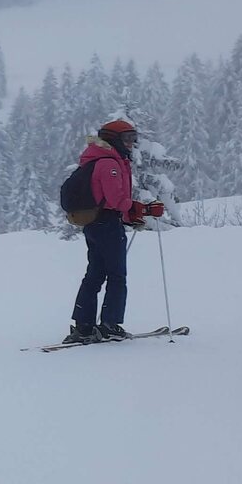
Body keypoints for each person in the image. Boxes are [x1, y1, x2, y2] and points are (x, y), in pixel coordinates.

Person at [64, 120, 163, 343]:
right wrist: (143, 209)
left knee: (95, 275)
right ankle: (110, 325)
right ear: (113, 140)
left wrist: (130, 217)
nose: (131, 143)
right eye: (127, 138)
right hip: (107, 224)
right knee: (117, 275)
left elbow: (109, 200)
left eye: (133, 138)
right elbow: (116, 200)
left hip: (94, 223)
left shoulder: (96, 159)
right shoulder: (109, 164)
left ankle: (84, 326)